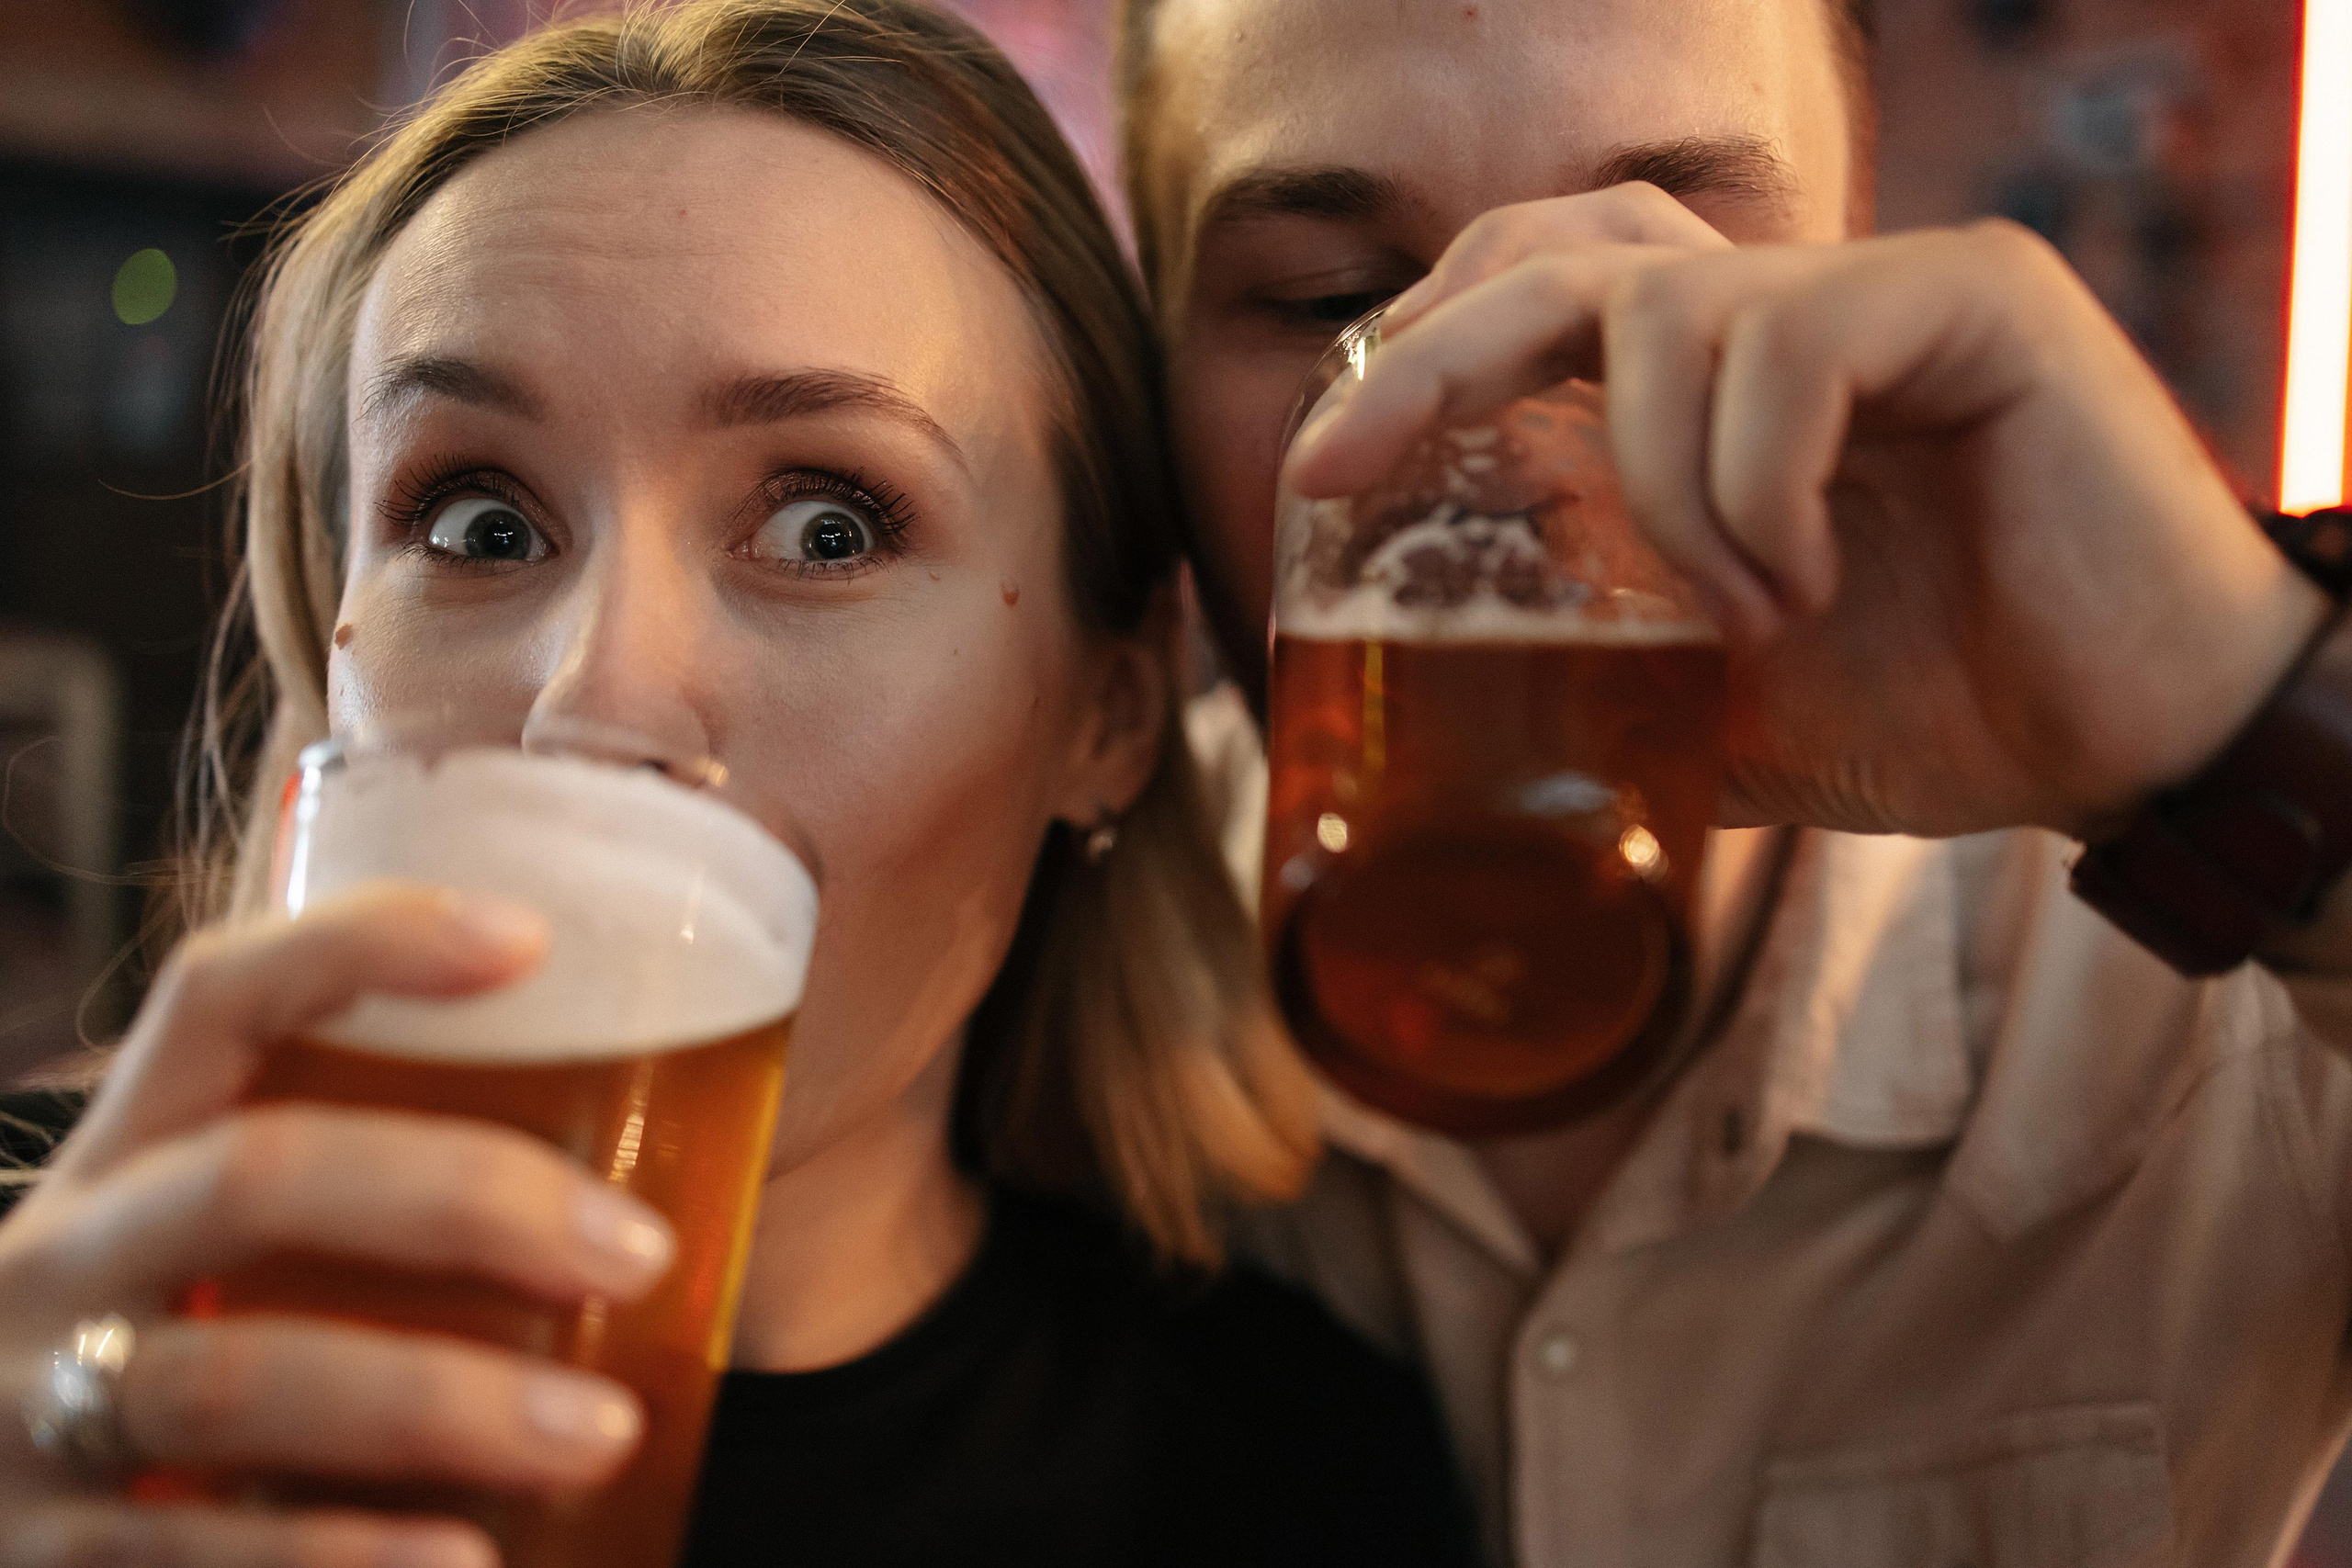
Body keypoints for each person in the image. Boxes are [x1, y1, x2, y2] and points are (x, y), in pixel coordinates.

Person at [0, 4, 1486, 1564]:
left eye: (827, 529)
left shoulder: (1290, 1480)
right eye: (480, 522)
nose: (595, 704)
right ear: (334, 636)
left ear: (1106, 715)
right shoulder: (44, 1303)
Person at [1117, 0, 2352, 1563]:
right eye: (1338, 300)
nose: (1502, 429)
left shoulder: (2226, 971)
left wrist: (2242, 704)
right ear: (1154, 381)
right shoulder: (1041, 973)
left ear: (1853, 270)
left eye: (1665, 278)